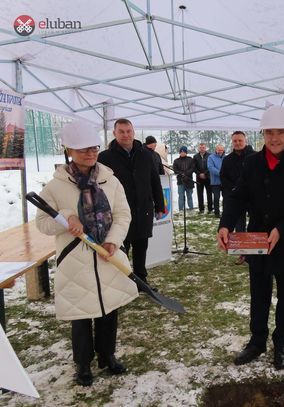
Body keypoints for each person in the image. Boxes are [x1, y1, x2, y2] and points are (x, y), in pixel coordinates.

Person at [217, 105, 284, 370]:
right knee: (258, 295)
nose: (275, 138)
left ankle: (281, 343)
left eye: (281, 132)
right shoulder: (252, 162)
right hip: (257, 243)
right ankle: (257, 341)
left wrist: (282, 229)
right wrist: (225, 225)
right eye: (270, 132)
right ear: (262, 133)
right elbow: (238, 196)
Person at [35, 120, 138, 387]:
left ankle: (107, 355)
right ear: (69, 150)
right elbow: (42, 223)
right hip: (76, 260)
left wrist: (113, 241)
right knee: (81, 315)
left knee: (109, 308)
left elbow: (123, 215)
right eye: (83, 150)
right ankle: (83, 364)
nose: (90, 154)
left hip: (107, 255)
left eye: (93, 148)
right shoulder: (56, 186)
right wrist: (67, 219)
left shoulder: (109, 180)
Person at [98, 118, 164, 290]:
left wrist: (160, 204)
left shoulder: (146, 154)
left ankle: (141, 280)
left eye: (129, 131)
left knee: (141, 245)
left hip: (143, 208)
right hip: (118, 211)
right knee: (121, 247)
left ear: (134, 132)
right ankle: (121, 282)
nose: (126, 135)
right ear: (114, 133)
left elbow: (154, 180)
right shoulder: (104, 157)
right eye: (121, 131)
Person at [220, 131, 256, 233]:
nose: (237, 143)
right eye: (235, 141)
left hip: (253, 197)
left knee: (256, 224)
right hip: (237, 197)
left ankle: (254, 246)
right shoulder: (227, 159)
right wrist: (234, 189)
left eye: (240, 140)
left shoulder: (256, 157)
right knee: (239, 226)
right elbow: (223, 177)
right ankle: (241, 248)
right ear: (232, 142)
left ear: (245, 141)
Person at [173, 146, 195, 211]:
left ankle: (191, 208)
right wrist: (182, 174)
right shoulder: (176, 161)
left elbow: (192, 168)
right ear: (179, 153)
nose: (182, 153)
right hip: (180, 181)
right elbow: (175, 170)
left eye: (184, 152)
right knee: (181, 196)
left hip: (189, 181)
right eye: (181, 152)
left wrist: (186, 174)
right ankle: (181, 209)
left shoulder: (190, 159)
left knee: (189, 196)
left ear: (186, 152)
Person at [193, 143, 213, 214]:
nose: (202, 149)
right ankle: (201, 209)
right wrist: (199, 174)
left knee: (209, 193)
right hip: (199, 178)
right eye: (200, 147)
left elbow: (210, 166)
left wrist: (205, 173)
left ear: (206, 148)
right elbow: (194, 167)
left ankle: (210, 208)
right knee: (200, 194)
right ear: (198, 148)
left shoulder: (210, 155)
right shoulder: (195, 156)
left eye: (203, 147)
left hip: (208, 177)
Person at [208, 144, 225, 218]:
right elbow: (211, 168)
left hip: (225, 181)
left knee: (226, 197)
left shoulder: (226, 157)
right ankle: (217, 213)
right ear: (216, 150)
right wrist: (221, 173)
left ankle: (225, 212)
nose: (220, 151)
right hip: (215, 182)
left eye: (222, 150)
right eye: (219, 150)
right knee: (216, 197)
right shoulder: (211, 157)